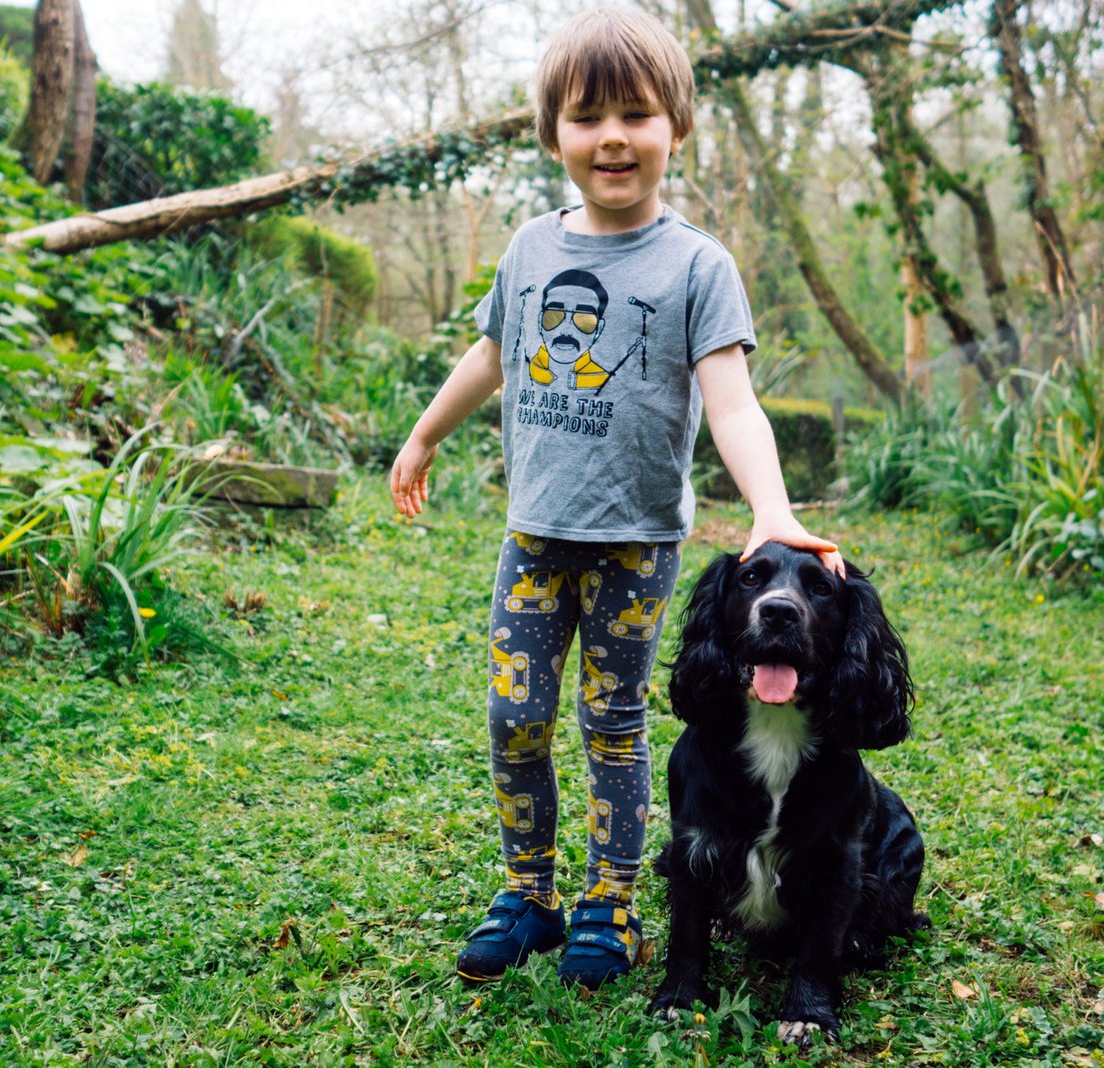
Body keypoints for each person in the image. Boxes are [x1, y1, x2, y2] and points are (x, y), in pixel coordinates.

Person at [388, 5, 843, 990]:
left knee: (614, 724)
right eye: (587, 116)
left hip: (635, 548)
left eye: (635, 114)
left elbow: (732, 402)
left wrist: (770, 511)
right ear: (552, 132)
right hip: (534, 539)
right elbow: (490, 352)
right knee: (514, 719)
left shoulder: (696, 266)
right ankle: (528, 894)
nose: (611, 138)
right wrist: (426, 432)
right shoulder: (528, 250)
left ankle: (609, 904)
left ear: (674, 127)